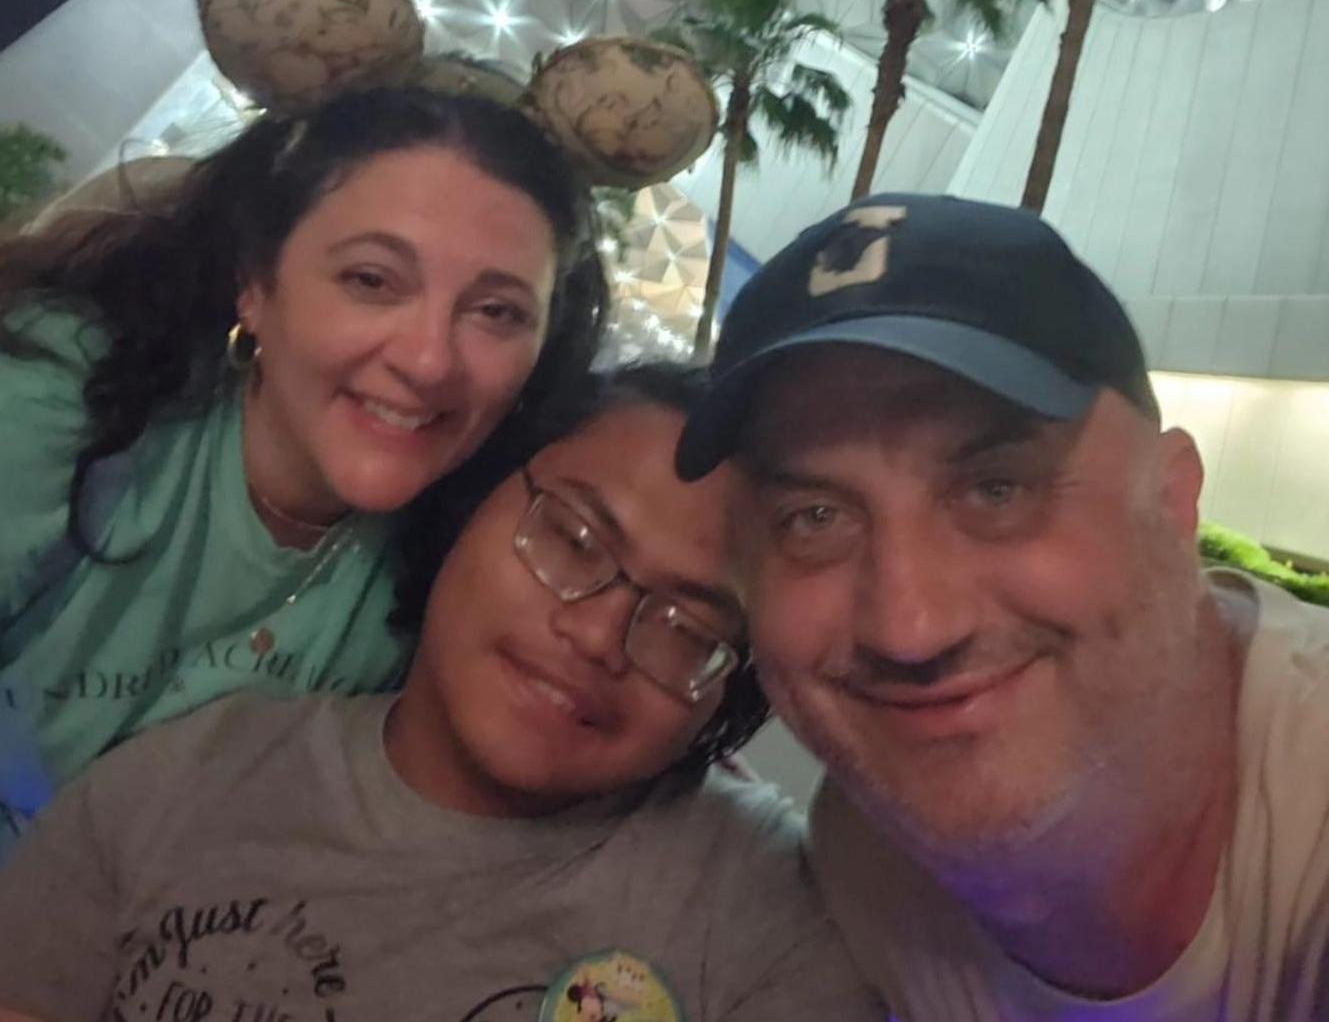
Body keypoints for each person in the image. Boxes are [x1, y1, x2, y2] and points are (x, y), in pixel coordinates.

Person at [0, 364, 879, 1022]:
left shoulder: (765, 920)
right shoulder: (180, 784)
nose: (597, 634)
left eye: (687, 628)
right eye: (572, 539)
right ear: (472, 502)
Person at [674, 193, 1329, 1020]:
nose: (908, 628)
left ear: (1172, 501)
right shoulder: (866, 855)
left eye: (995, 488)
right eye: (815, 517)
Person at [0, 86, 607, 854]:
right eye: (371, 279)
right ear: (257, 285)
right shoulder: (63, 400)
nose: (428, 361)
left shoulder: (451, 571)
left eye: (497, 312)